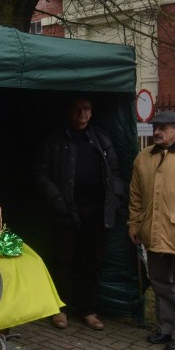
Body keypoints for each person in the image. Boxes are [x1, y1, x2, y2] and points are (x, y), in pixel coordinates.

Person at [35, 98, 124, 331]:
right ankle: (60, 308)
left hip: (96, 212)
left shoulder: (101, 138)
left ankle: (88, 310)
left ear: (92, 112)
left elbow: (114, 171)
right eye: (77, 109)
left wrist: (115, 197)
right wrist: (57, 201)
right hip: (66, 211)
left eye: (86, 109)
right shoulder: (56, 140)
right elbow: (41, 174)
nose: (81, 114)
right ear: (69, 112)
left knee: (92, 262)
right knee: (63, 260)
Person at [129, 110, 175, 350]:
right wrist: (134, 224)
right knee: (161, 284)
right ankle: (165, 328)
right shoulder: (143, 157)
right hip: (153, 233)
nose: (157, 131)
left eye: (163, 127)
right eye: (155, 126)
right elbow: (135, 195)